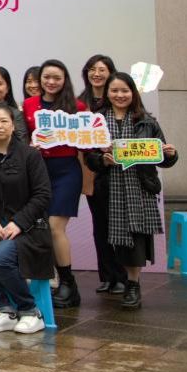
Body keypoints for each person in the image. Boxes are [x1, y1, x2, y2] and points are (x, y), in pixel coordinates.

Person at [83, 73, 178, 309]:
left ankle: (133, 284)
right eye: (114, 90)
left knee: (135, 239)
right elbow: (89, 158)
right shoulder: (96, 122)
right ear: (107, 93)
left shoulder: (147, 121)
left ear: (133, 93)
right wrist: (102, 160)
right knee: (110, 239)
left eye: (124, 90)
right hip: (108, 190)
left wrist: (171, 154)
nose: (120, 95)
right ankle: (116, 279)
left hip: (139, 189)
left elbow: (161, 157)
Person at [0, 105, 53, 334]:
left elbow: (43, 194)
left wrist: (19, 222)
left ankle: (30, 310)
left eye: (4, 121)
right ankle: (3, 309)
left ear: (13, 125)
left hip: (29, 228)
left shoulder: (30, 155)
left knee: (0, 257)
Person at [23, 59, 87, 307]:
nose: (51, 82)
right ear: (40, 79)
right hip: (39, 171)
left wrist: (100, 145)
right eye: (46, 77)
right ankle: (53, 281)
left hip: (66, 171)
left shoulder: (77, 107)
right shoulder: (29, 104)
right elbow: (23, 136)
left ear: (65, 80)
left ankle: (69, 283)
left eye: (56, 78)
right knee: (40, 227)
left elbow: (87, 141)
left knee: (55, 227)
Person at [78, 54, 123, 295]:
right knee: (100, 225)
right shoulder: (79, 102)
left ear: (110, 73)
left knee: (118, 225)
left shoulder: (117, 97)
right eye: (92, 69)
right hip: (91, 170)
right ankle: (106, 276)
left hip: (116, 172)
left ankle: (122, 276)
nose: (96, 74)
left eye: (102, 69)